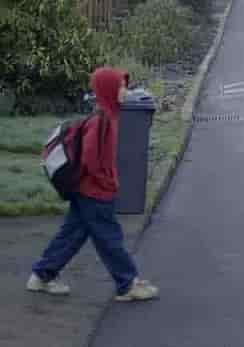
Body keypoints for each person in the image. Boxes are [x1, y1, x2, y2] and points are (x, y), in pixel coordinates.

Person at [27, 67, 159, 302]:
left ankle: (41, 275)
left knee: (72, 234)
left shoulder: (105, 116)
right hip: (95, 193)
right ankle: (127, 284)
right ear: (108, 90)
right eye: (119, 86)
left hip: (85, 190)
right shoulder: (103, 121)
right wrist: (107, 182)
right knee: (110, 239)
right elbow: (91, 158)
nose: (124, 91)